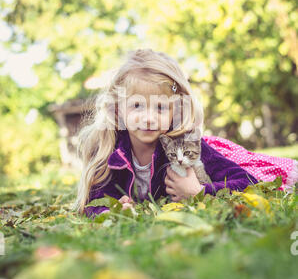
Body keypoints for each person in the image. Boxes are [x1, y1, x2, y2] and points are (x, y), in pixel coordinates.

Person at [74, 49, 269, 219]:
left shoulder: (185, 145)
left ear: (175, 111)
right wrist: (110, 211)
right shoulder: (111, 151)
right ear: (118, 110)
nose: (148, 118)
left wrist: (200, 191)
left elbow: (248, 181)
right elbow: (94, 200)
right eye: (137, 106)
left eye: (160, 108)